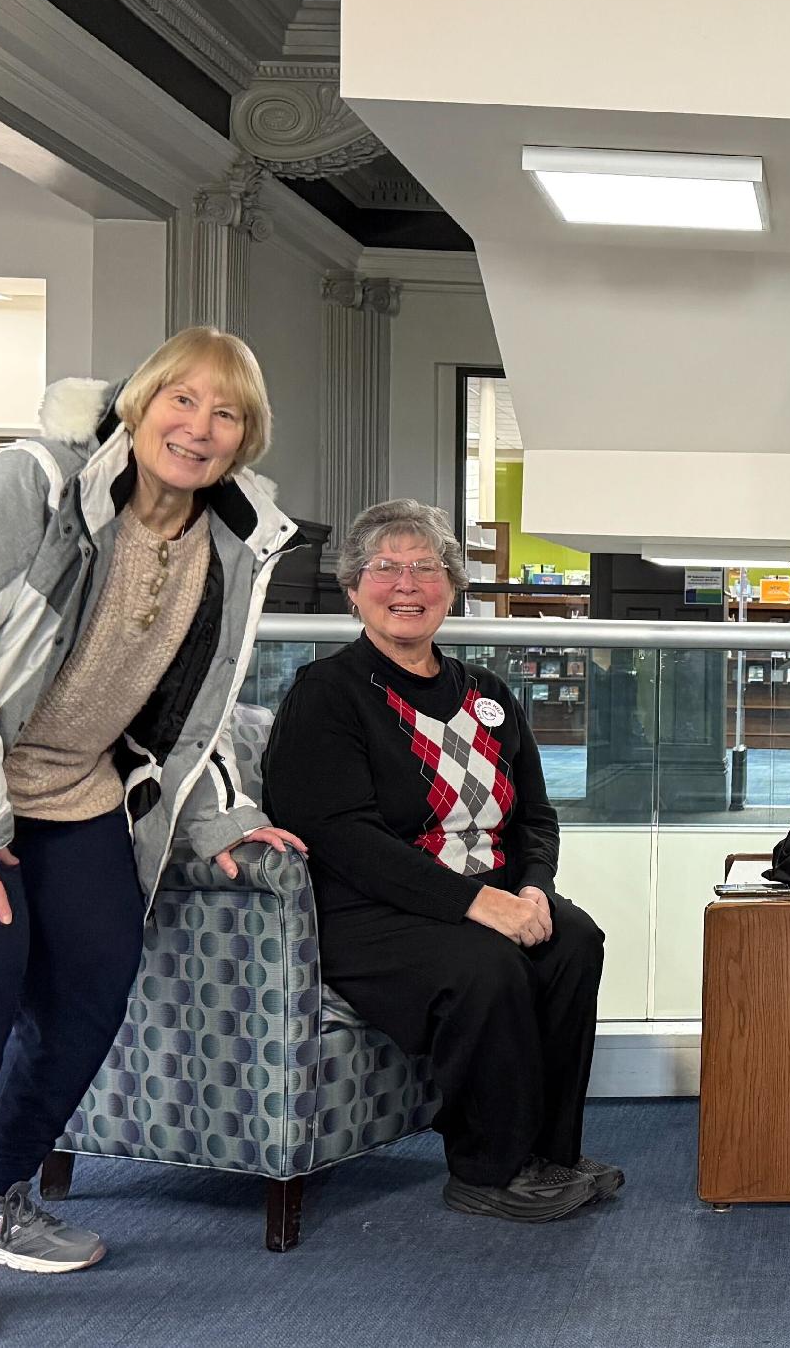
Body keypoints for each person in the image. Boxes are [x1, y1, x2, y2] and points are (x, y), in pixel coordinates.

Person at [0, 330, 306, 1342]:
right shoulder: (28, 487)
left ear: (246, 438)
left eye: (227, 412)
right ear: (137, 402)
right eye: (181, 399)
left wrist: (221, 819)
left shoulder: (234, 541)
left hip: (72, 795)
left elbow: (192, 713)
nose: (198, 427)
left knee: (91, 989)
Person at [261, 499, 614, 1225]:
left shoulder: (488, 693)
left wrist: (533, 888)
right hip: (368, 912)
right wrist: (476, 904)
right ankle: (488, 1169)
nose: (407, 584)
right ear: (353, 589)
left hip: (488, 894)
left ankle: (550, 1153)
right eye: (385, 568)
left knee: (574, 939)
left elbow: (535, 816)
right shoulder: (327, 695)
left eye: (426, 567)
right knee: (485, 966)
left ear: (451, 586)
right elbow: (343, 837)